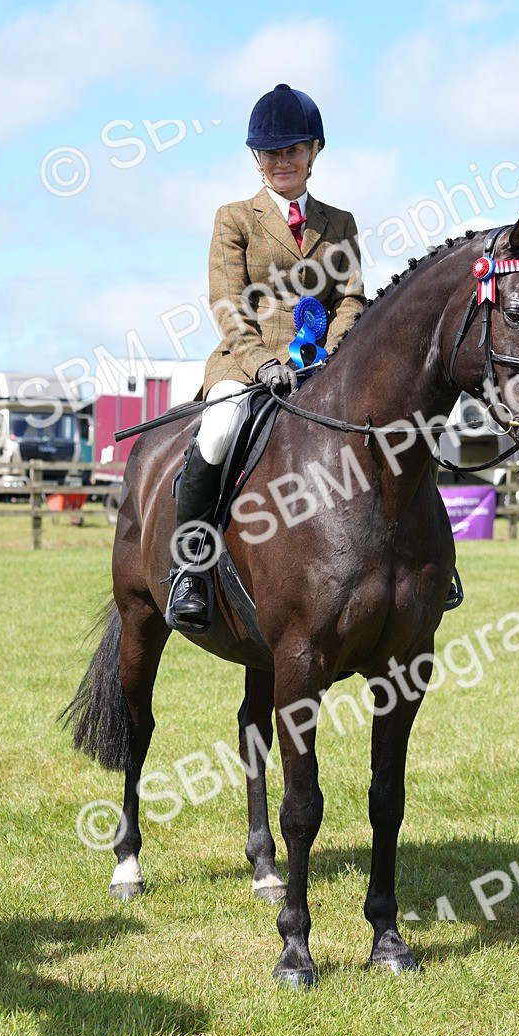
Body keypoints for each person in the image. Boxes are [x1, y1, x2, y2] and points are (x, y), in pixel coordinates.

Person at [166, 84, 366, 632]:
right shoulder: (235, 218)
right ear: (257, 158)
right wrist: (261, 364)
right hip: (246, 363)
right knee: (219, 432)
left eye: (294, 149)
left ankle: (423, 560)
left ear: (315, 152)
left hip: (322, 366)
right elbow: (227, 303)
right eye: (272, 152)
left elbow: (350, 296)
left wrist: (330, 353)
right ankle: (191, 568)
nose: (284, 161)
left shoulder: (339, 222)